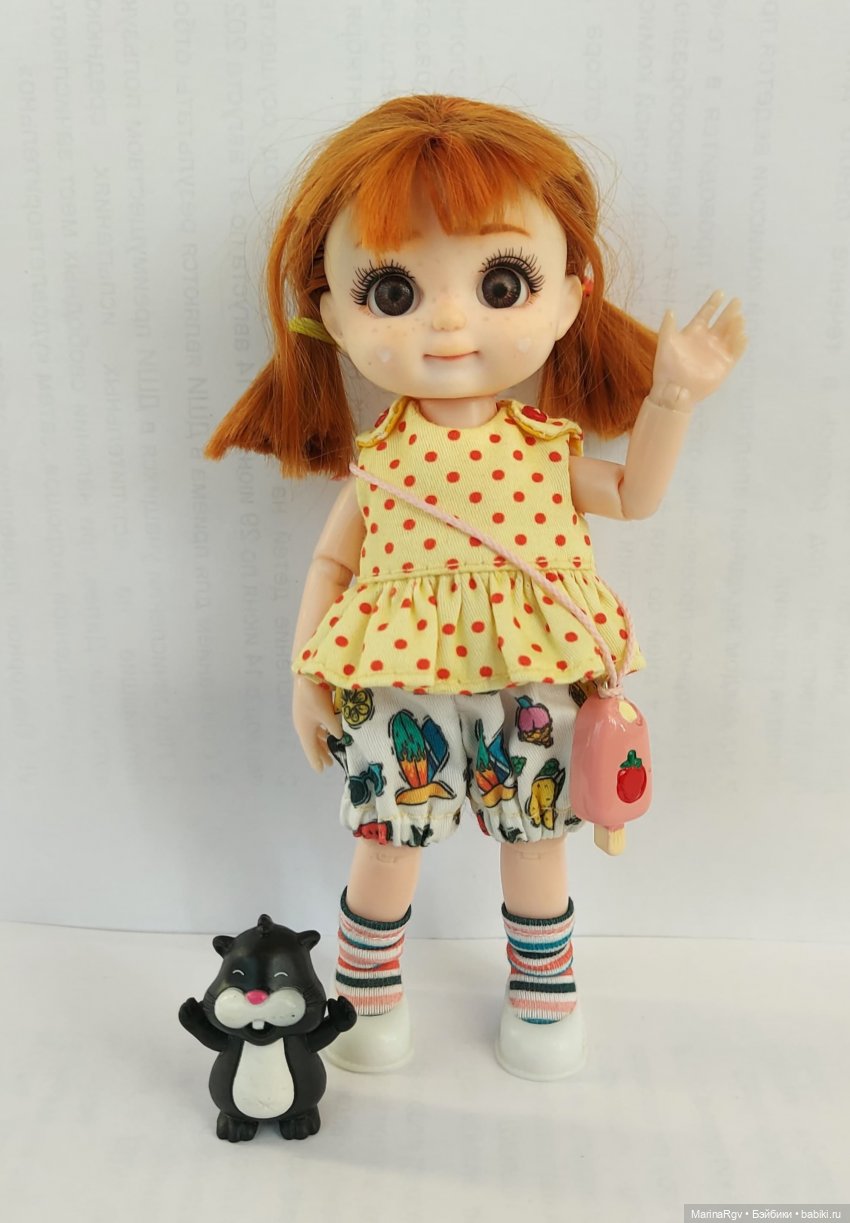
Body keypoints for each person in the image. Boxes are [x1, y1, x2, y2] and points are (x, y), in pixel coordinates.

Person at [205, 94, 746, 1079]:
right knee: (387, 839)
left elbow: (633, 494)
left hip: (532, 677)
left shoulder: (544, 450)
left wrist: (670, 397)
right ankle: (368, 997)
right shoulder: (378, 463)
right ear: (329, 311)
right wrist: (303, 674)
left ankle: (543, 997)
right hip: (391, 678)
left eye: (503, 282)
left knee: (535, 839)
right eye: (393, 291)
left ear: (571, 296)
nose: (451, 319)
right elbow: (332, 566)